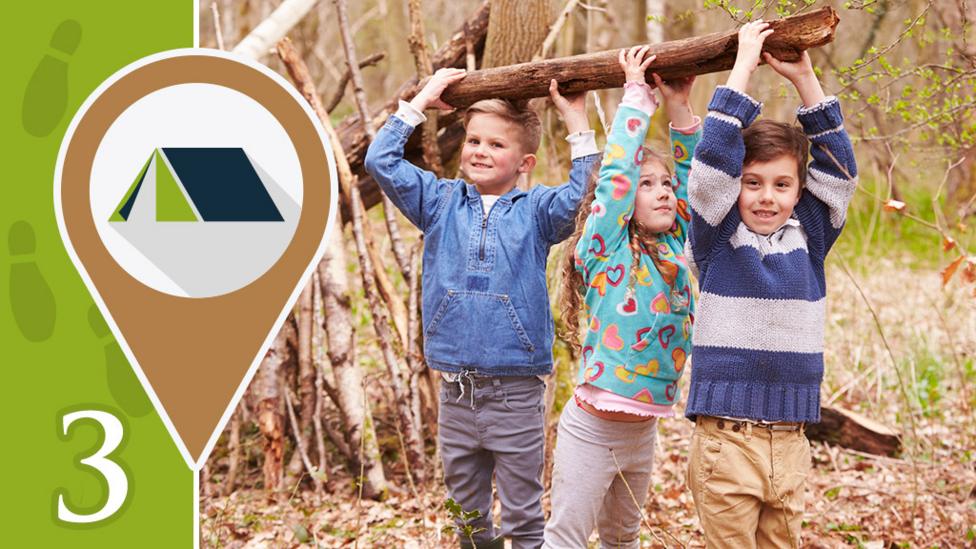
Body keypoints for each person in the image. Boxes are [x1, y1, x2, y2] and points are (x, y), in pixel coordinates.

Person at [364, 67, 600, 549]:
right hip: (455, 392)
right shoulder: (439, 201)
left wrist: (576, 121)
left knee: (522, 517)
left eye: (496, 145)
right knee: (467, 517)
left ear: (525, 162)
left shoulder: (536, 211)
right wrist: (420, 100)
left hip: (515, 391)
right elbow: (380, 161)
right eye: (474, 140)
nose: (480, 151)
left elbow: (586, 196)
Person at [684, 20, 859, 548]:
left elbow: (840, 172)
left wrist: (806, 78)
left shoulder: (809, 235)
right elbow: (711, 166)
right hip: (726, 442)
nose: (766, 197)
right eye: (752, 184)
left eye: (782, 185)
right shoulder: (716, 235)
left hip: (791, 440)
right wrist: (743, 65)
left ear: (798, 189)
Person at [543, 45, 700, 549]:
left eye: (666, 185)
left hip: (642, 433)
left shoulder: (677, 248)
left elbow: (699, 187)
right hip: (592, 430)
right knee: (567, 537)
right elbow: (613, 180)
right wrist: (636, 98)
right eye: (646, 184)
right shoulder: (605, 246)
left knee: (622, 539)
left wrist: (679, 106)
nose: (661, 192)